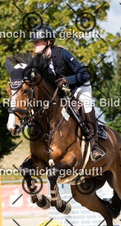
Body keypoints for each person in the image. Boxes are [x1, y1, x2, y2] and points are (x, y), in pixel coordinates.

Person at [29, 25, 105, 161]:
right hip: (61, 93)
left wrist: (67, 80)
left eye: (37, 41)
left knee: (86, 103)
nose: (34, 45)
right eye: (33, 42)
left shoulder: (62, 54)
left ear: (48, 42)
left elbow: (84, 75)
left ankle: (94, 146)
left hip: (79, 86)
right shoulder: (38, 61)